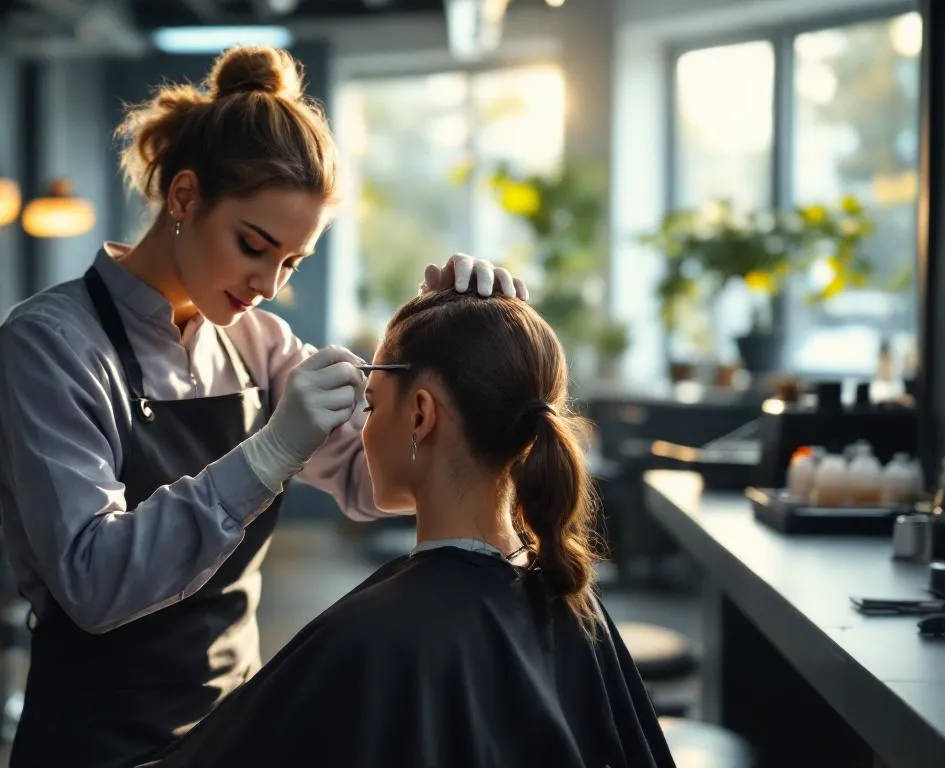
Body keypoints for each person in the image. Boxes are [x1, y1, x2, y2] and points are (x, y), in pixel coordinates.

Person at [0, 46, 528, 768]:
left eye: (290, 264)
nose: (267, 285)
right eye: (253, 246)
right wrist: (267, 456)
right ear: (183, 197)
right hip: (97, 741)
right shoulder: (49, 345)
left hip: (234, 730)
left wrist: (456, 344)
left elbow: (377, 486)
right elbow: (92, 580)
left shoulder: (259, 342)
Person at [136, 289, 677, 768]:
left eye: (370, 406)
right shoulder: (567, 592)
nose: (361, 430)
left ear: (420, 415)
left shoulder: (370, 639)